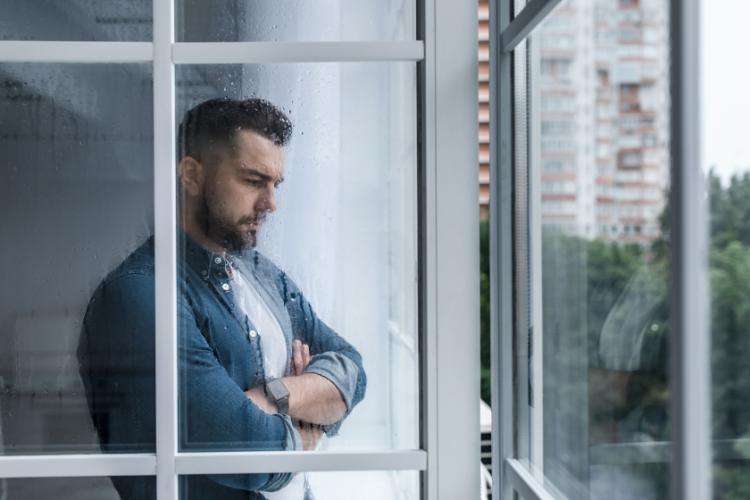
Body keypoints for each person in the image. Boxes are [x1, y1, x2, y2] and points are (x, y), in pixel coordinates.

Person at [77, 98, 367, 499]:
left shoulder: (262, 274)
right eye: (252, 181)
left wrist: (274, 395)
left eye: (275, 184)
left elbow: (352, 370)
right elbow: (244, 448)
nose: (271, 204)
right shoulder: (140, 295)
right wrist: (303, 422)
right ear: (192, 175)